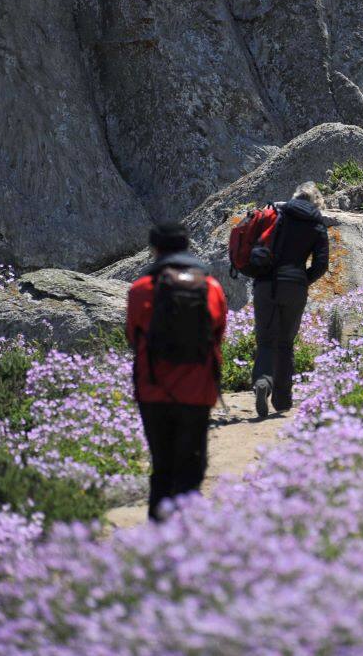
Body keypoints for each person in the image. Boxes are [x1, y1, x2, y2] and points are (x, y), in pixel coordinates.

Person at [125, 222, 228, 521]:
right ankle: (186, 537)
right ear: (186, 246)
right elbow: (218, 334)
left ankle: (158, 537)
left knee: (162, 468)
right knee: (191, 468)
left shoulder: (141, 289)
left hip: (153, 390)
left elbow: (132, 335)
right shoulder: (211, 287)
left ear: (154, 249)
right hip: (197, 391)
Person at [251, 182, 330, 418]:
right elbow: (321, 264)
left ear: (295, 197)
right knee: (285, 343)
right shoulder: (317, 225)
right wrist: (302, 279)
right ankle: (283, 400)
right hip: (295, 286)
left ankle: (263, 382)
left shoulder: (276, 214)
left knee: (266, 340)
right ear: (317, 203)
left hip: (266, 283)